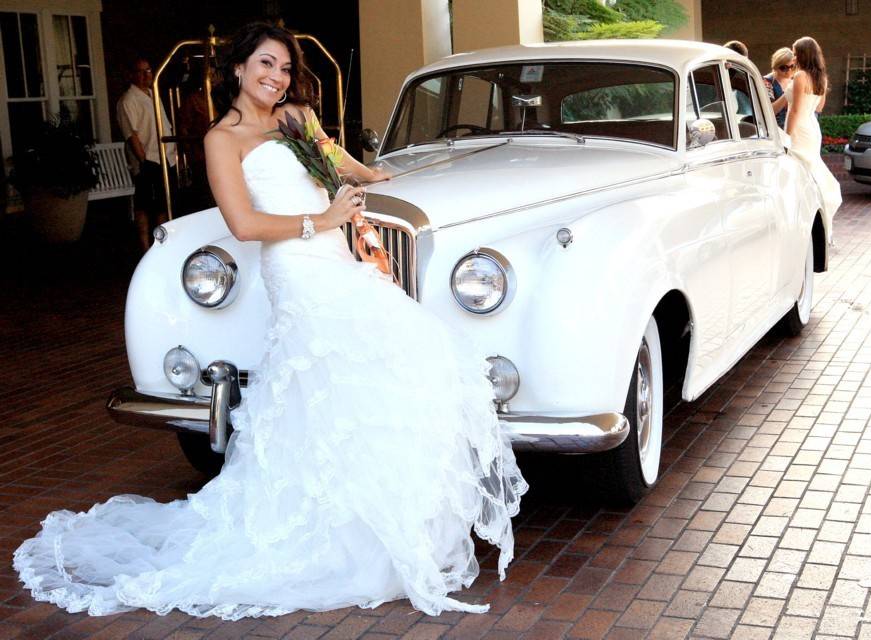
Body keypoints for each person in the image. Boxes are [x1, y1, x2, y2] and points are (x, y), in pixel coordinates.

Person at [14, 22, 527, 619]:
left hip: (338, 259)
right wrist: (324, 219)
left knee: (388, 372)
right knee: (357, 371)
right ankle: (344, 536)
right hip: (298, 269)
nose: (276, 78)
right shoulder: (221, 139)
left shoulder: (297, 119)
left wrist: (383, 177)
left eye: (284, 68)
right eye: (265, 64)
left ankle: (381, 524)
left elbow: (344, 165)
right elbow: (244, 226)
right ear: (237, 69)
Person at [117, 56, 177, 252]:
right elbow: (131, 134)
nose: (146, 75)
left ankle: (162, 244)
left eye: (148, 70)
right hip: (148, 159)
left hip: (165, 156)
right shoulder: (128, 100)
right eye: (140, 72)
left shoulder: (153, 93)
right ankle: (144, 247)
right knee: (144, 204)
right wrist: (143, 160)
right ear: (132, 75)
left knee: (162, 203)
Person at [784, 36, 841, 241]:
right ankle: (820, 223)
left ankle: (810, 219)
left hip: (799, 128)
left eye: (794, 51)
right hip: (811, 127)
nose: (792, 55)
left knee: (803, 173)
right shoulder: (820, 78)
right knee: (810, 171)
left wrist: (786, 137)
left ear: (802, 54)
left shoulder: (799, 76)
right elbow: (819, 107)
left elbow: (795, 110)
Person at [765, 47, 794, 129]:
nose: (789, 70)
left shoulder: (795, 80)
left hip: (792, 127)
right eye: (784, 68)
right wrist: (788, 93)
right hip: (775, 129)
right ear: (775, 66)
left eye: (792, 66)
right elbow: (769, 110)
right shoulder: (767, 82)